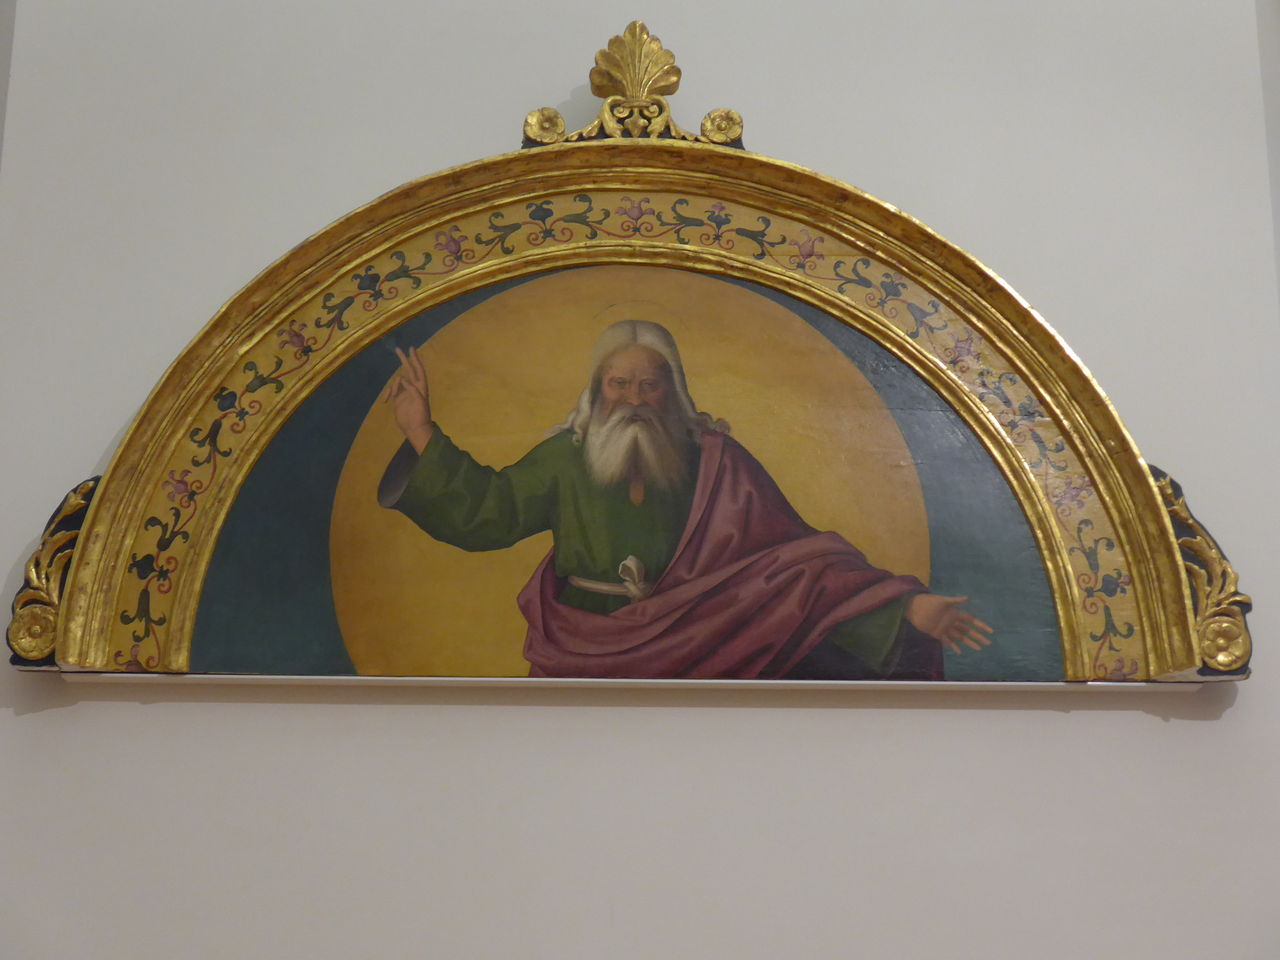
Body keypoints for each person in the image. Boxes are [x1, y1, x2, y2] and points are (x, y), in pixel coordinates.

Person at [377, 315, 992, 679]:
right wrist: (420, 431)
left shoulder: (717, 460)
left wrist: (905, 609)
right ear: (597, 389)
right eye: (619, 383)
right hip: (584, 653)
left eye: (650, 385)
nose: (634, 399)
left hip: (706, 649)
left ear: (672, 390)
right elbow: (489, 513)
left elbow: (797, 568)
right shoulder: (565, 457)